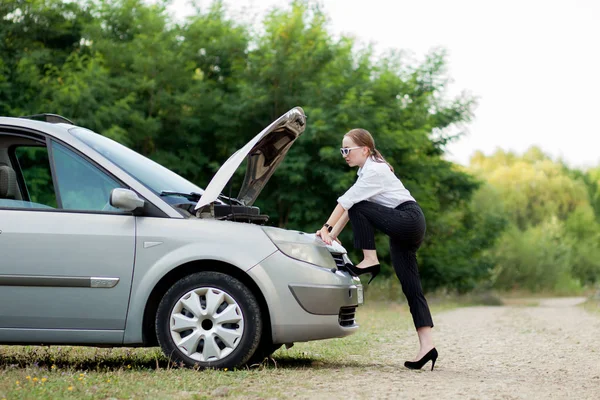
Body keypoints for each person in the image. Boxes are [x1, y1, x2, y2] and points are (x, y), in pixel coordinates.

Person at [316, 128, 438, 371]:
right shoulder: (367, 172)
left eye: (347, 150)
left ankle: (370, 259)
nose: (344, 155)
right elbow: (351, 209)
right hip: (403, 228)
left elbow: (347, 202)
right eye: (342, 150)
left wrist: (326, 228)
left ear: (365, 149)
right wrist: (331, 236)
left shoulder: (375, 170)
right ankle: (428, 347)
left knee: (358, 205)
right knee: (412, 289)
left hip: (409, 219)